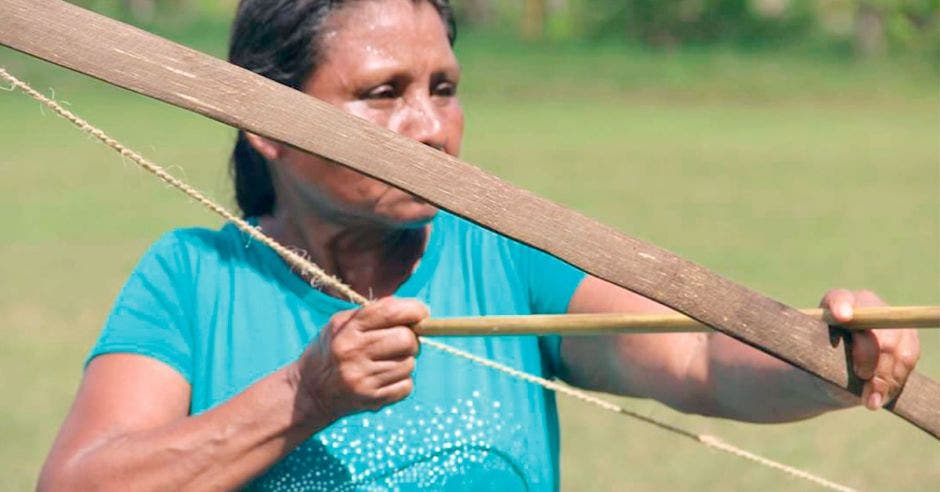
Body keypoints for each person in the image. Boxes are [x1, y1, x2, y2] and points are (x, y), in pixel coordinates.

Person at [38, 0, 921, 490]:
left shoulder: (501, 252)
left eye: (446, 86)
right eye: (383, 93)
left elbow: (695, 360)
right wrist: (303, 398)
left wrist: (823, 362)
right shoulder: (194, 277)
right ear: (262, 122)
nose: (429, 128)